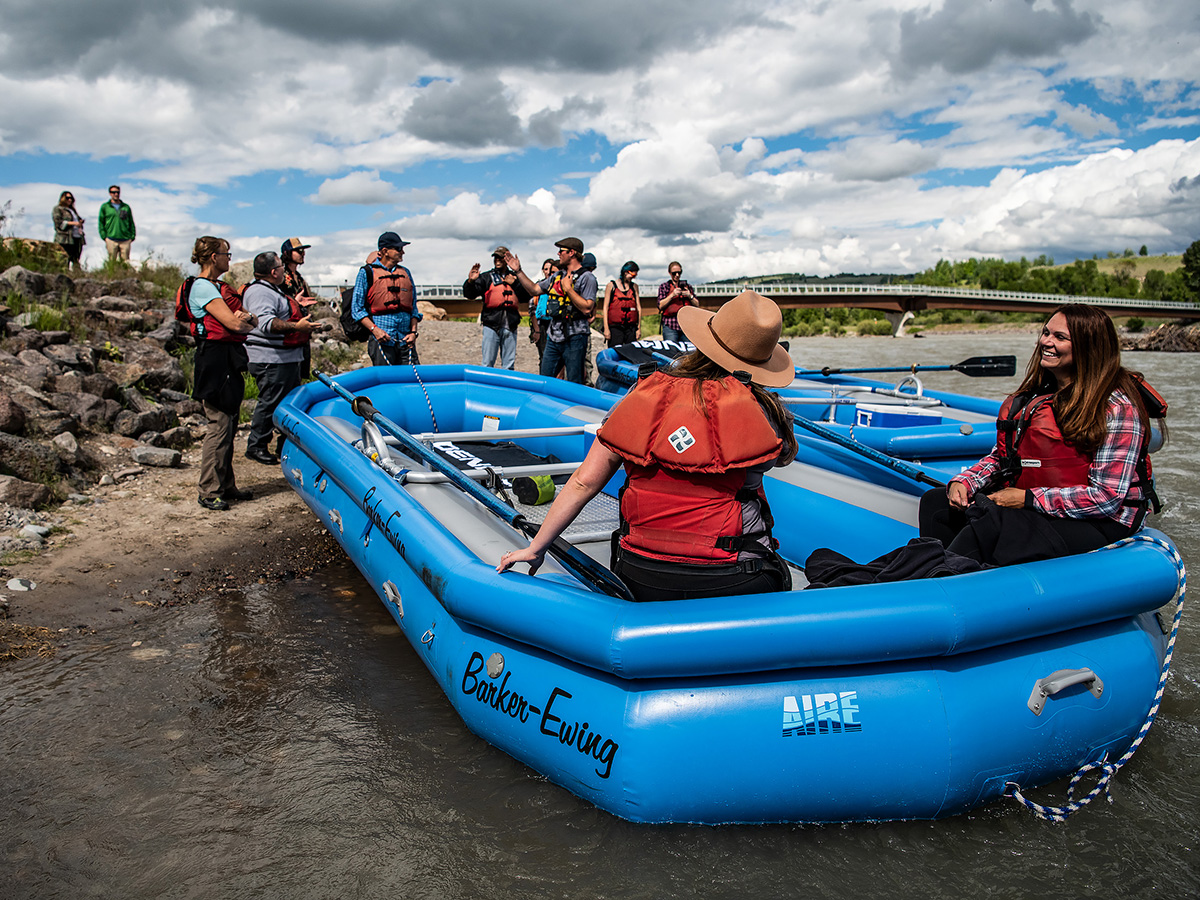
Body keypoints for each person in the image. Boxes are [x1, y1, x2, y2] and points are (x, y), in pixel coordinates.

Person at [498, 290, 798, 602]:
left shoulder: (642, 394)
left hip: (641, 573)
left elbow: (584, 482)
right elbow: (783, 456)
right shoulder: (764, 412)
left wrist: (536, 548)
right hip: (734, 577)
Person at [918, 304, 1165, 566]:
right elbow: (1006, 457)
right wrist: (965, 481)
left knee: (996, 524)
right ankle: (940, 573)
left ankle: (945, 581)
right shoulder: (1041, 396)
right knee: (937, 504)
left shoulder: (1117, 407)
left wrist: (1027, 499)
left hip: (1104, 521)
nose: (1045, 342)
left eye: (1059, 337)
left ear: (1087, 346)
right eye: (1046, 333)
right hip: (1044, 504)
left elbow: (1106, 498)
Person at [180, 236, 257, 510]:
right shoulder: (202, 288)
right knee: (219, 424)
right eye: (227, 253)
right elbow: (234, 324)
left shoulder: (218, 287)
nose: (229, 258)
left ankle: (225, 484)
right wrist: (242, 321)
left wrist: (244, 320)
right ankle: (209, 490)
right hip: (214, 361)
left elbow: (249, 320)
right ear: (214, 256)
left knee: (230, 423)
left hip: (227, 359)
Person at [242, 251, 324, 466]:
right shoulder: (260, 292)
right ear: (273, 271)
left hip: (284, 358)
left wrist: (295, 304)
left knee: (283, 401)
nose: (283, 271)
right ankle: (257, 445)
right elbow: (266, 323)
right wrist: (298, 326)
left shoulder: (271, 290)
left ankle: (281, 444)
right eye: (280, 267)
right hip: (272, 359)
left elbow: (276, 312)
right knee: (270, 402)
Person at [506, 237, 596, 384]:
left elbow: (587, 307)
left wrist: (568, 289)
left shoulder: (587, 278)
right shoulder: (557, 276)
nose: (558, 254)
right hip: (554, 336)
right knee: (544, 379)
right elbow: (534, 289)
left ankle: (572, 406)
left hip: (575, 337)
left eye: (562, 251)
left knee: (574, 381)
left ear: (572, 253)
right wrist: (519, 271)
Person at [351, 232, 421, 366]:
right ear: (385, 251)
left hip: (405, 340)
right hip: (381, 341)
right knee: (387, 382)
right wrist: (375, 330)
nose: (403, 252)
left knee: (412, 380)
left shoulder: (406, 273)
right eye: (398, 249)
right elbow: (356, 309)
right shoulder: (366, 273)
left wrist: (413, 333)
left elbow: (413, 308)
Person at [463, 246, 530, 370]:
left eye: (500, 257)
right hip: (491, 324)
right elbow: (470, 295)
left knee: (509, 365)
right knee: (487, 363)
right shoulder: (486, 277)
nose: (497, 260)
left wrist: (515, 284)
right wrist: (470, 282)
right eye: (496, 258)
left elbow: (526, 296)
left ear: (506, 259)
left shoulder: (516, 277)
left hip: (510, 324)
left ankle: (506, 388)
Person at [280, 237, 318, 382]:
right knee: (288, 375)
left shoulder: (300, 278)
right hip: (289, 330)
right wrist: (295, 303)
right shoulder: (281, 277)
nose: (303, 254)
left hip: (302, 331)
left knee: (301, 373)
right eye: (299, 251)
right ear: (288, 253)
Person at [656, 261, 697, 343]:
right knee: (672, 352)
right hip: (670, 325)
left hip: (686, 326)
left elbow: (697, 304)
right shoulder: (664, 287)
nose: (677, 275)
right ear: (670, 273)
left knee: (688, 352)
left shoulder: (687, 287)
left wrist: (689, 295)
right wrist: (672, 295)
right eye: (674, 273)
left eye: (679, 272)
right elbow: (660, 305)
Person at [603, 261, 641, 348]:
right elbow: (605, 307)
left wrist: (638, 329)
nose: (633, 278)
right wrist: (606, 328)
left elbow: (638, 308)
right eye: (633, 275)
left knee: (631, 352)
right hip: (615, 327)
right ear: (626, 272)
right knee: (615, 353)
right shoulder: (611, 286)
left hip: (630, 328)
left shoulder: (634, 287)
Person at [528, 258, 556, 364]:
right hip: (542, 325)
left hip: (556, 324)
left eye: (551, 269)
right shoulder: (539, 286)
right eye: (546, 269)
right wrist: (536, 330)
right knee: (544, 356)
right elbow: (532, 309)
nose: (548, 272)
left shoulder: (559, 285)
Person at [98, 185, 135, 263]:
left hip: (125, 239)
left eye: (117, 192)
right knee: (112, 262)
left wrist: (132, 236)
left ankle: (125, 275)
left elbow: (131, 222)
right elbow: (101, 222)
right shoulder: (105, 207)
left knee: (126, 262)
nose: (116, 194)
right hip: (111, 238)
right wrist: (104, 236)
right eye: (113, 192)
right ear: (110, 193)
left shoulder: (126, 207)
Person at [52, 191, 85, 271]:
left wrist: (80, 222)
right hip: (65, 238)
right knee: (65, 259)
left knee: (76, 259)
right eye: (67, 198)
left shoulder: (72, 210)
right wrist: (73, 223)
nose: (70, 200)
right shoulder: (58, 209)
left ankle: (77, 274)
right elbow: (58, 223)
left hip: (77, 237)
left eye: (71, 198)